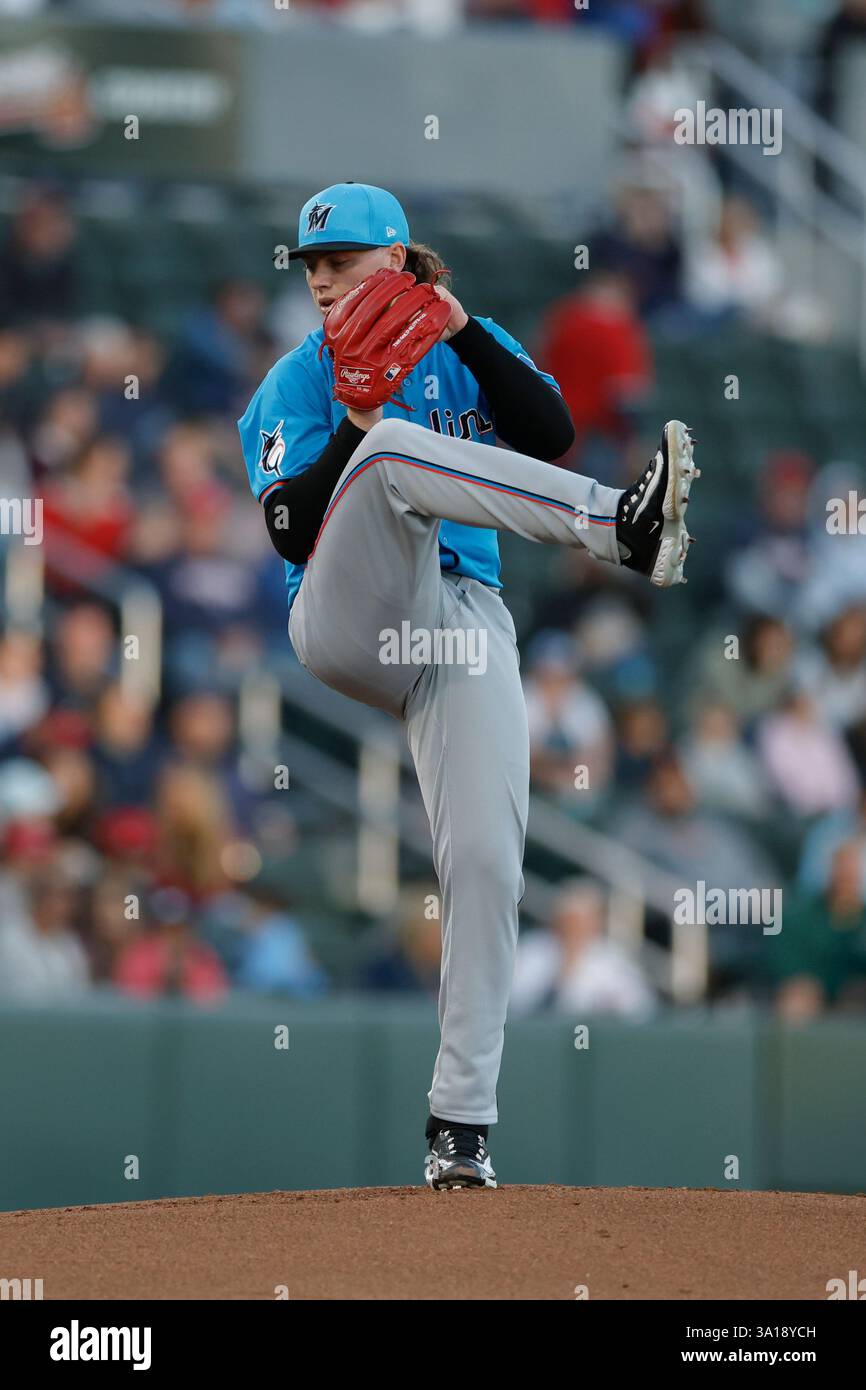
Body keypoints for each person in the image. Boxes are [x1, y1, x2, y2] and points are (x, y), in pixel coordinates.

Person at [238, 182, 699, 1191]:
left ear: (397, 264)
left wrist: (462, 330)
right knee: (397, 448)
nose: (321, 281)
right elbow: (284, 529)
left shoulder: (457, 340)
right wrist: (358, 421)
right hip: (345, 614)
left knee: (489, 859)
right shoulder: (295, 380)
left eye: (344, 262)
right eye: (311, 266)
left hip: (463, 625)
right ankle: (620, 527)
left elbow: (547, 429)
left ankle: (460, 1127)